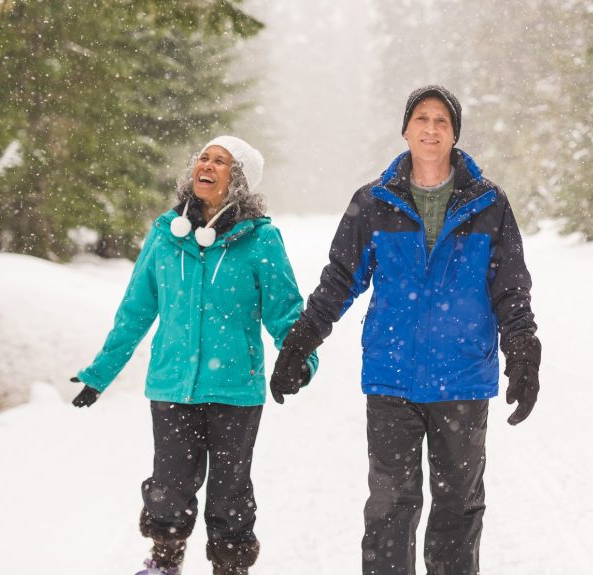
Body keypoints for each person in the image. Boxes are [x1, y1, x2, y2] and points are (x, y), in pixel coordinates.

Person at [270, 85, 541, 575]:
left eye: (442, 121)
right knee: (390, 508)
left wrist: (522, 351)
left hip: (462, 381)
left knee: (457, 509)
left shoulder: (489, 204)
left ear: (455, 134)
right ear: (406, 130)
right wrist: (302, 339)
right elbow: (339, 281)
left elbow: (511, 290)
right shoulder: (375, 202)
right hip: (391, 379)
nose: (431, 129)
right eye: (422, 119)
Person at [71, 135, 317, 575]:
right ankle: (165, 560)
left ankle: (230, 566)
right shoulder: (166, 234)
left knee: (230, 492)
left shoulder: (261, 239)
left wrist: (301, 361)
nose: (206, 164)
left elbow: (286, 312)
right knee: (169, 486)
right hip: (171, 386)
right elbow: (136, 310)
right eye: (203, 157)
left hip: (235, 390)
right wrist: (100, 373)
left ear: (237, 179)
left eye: (220, 161)